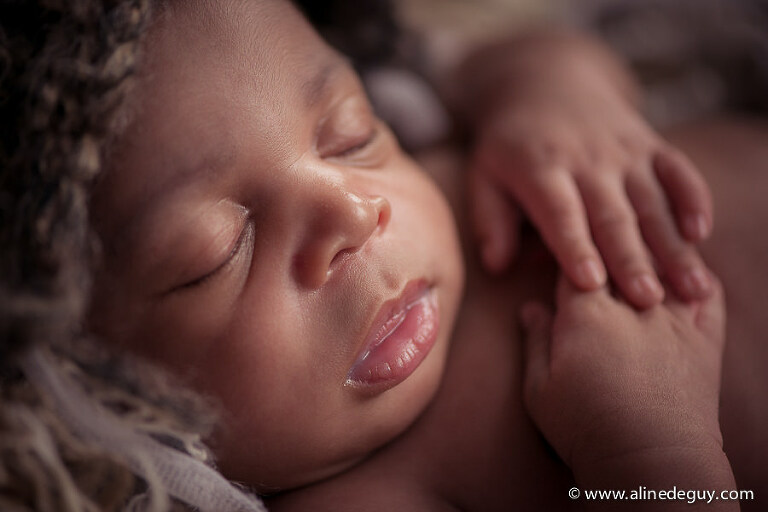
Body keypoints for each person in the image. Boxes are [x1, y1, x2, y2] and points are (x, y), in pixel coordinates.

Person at [2, 0, 766, 510]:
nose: (354, 211)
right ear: (97, 379)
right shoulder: (366, 495)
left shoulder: (444, 156)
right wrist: (652, 453)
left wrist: (554, 98)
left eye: (350, 133)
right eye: (219, 253)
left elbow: (503, 55)